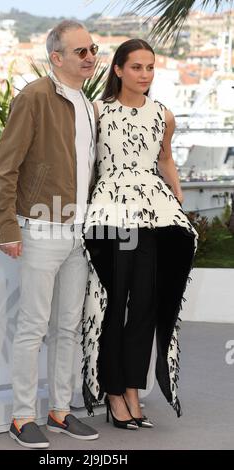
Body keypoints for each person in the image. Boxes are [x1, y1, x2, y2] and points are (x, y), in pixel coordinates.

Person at [0, 20, 99, 448]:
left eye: (92, 49)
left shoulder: (87, 105)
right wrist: (6, 225)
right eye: (81, 52)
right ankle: (21, 417)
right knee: (34, 327)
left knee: (68, 327)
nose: (90, 57)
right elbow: (6, 165)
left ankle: (59, 410)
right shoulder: (34, 97)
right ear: (57, 58)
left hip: (80, 231)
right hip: (40, 229)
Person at [81, 39, 198, 429]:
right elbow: (87, 166)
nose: (145, 75)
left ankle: (133, 388)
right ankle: (113, 392)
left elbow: (165, 159)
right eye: (136, 67)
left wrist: (178, 202)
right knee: (114, 303)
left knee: (146, 304)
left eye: (150, 67)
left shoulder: (163, 115)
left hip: (155, 213)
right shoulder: (98, 111)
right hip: (111, 212)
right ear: (118, 69)